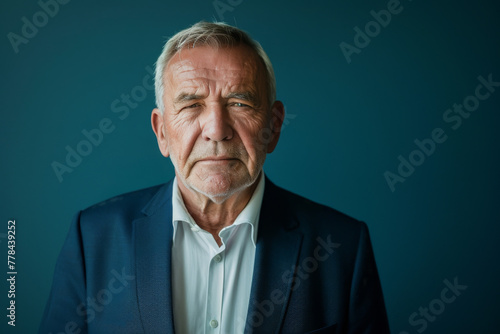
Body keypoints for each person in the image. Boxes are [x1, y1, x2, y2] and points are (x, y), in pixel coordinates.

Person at [39, 21, 390, 334]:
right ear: (162, 132)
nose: (217, 130)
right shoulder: (93, 238)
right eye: (191, 104)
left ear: (274, 127)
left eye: (239, 103)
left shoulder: (344, 246)